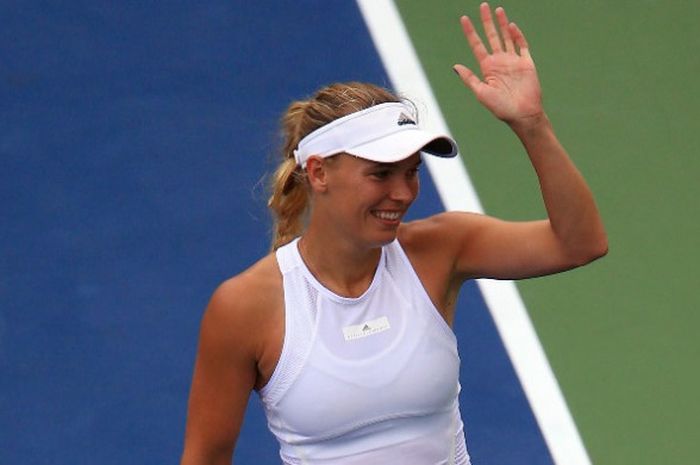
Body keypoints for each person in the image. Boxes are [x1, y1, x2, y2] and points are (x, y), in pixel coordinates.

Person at [180, 3, 608, 465]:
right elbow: (205, 456)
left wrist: (532, 125)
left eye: (412, 172)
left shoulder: (443, 248)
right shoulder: (245, 306)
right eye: (381, 174)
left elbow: (580, 243)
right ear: (320, 173)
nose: (403, 193)